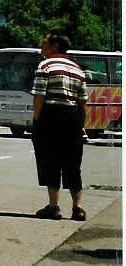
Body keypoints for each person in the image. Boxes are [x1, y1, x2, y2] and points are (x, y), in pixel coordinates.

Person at [31, 32, 88, 221]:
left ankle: (54, 206)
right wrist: (81, 125)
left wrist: (36, 121)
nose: (41, 47)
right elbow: (82, 102)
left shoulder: (45, 65)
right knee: (73, 163)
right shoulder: (78, 69)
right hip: (72, 117)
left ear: (54, 46)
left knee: (51, 161)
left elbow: (39, 95)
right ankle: (77, 207)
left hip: (51, 115)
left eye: (44, 43)